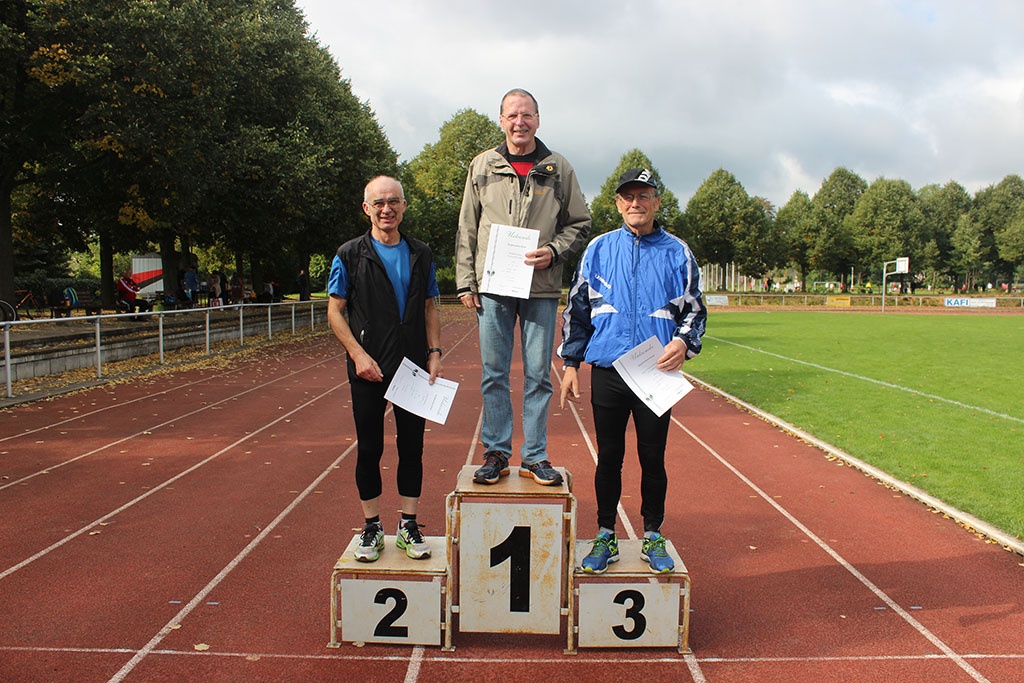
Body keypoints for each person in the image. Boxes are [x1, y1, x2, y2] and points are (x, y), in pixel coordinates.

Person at [558, 168, 707, 574]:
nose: (635, 203)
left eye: (643, 196)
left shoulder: (678, 252)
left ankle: (652, 534)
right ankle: (605, 533)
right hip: (609, 370)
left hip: (655, 372)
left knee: (652, 457)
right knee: (609, 457)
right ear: (618, 203)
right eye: (628, 197)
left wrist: (683, 343)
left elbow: (695, 311)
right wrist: (570, 363)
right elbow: (577, 311)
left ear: (656, 202)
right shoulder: (598, 249)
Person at [455, 88, 590, 487]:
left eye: (527, 115)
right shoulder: (483, 165)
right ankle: (496, 452)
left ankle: (534, 455)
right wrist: (466, 281)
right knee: (494, 373)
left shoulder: (558, 167)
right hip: (494, 285)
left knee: (538, 375)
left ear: (538, 120)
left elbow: (580, 223)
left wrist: (554, 251)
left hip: (540, 287)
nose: (520, 122)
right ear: (501, 120)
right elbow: (467, 226)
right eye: (512, 115)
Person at [327, 175, 443, 562]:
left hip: (412, 366)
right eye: (378, 203)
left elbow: (429, 306)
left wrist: (434, 352)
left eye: (393, 201)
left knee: (412, 448)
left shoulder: (420, 252)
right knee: (369, 448)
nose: (386, 209)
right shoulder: (349, 254)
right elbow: (335, 312)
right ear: (367, 208)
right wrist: (358, 355)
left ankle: (408, 524)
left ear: (404, 206)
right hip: (368, 368)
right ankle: (371, 527)